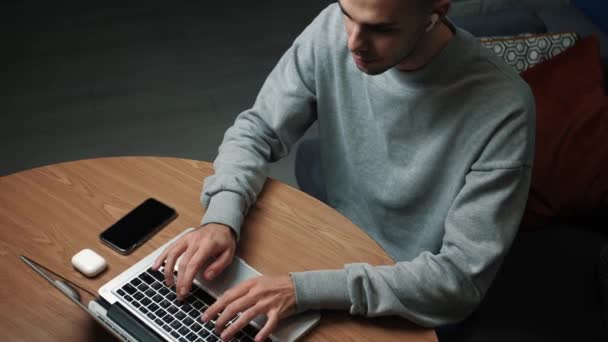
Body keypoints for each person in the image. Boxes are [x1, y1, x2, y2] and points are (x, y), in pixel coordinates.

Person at [153, 0, 535, 340]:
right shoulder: (331, 30)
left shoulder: (505, 108)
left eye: (382, 29)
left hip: (412, 304)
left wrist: (304, 291)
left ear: (437, 12)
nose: (353, 42)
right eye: (347, 15)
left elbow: (458, 282)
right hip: (328, 251)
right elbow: (257, 131)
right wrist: (221, 217)